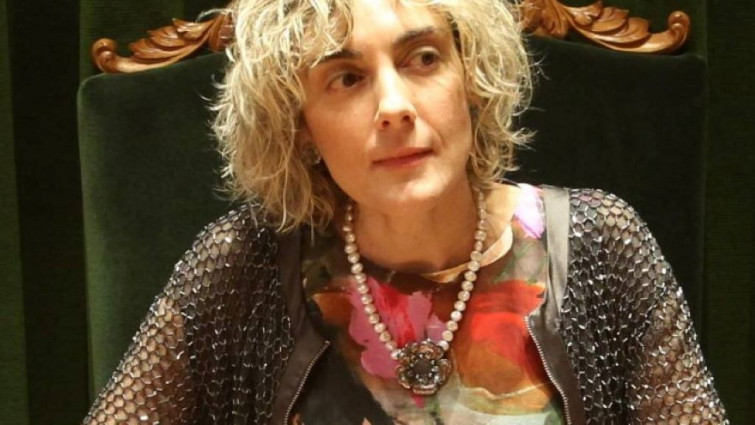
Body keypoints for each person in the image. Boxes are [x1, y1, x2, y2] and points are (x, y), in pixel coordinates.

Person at [83, 0, 728, 423]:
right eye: (346, 78)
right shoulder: (242, 264)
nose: (394, 106)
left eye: (423, 59)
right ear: (302, 126)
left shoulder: (597, 244)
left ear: (470, 78)